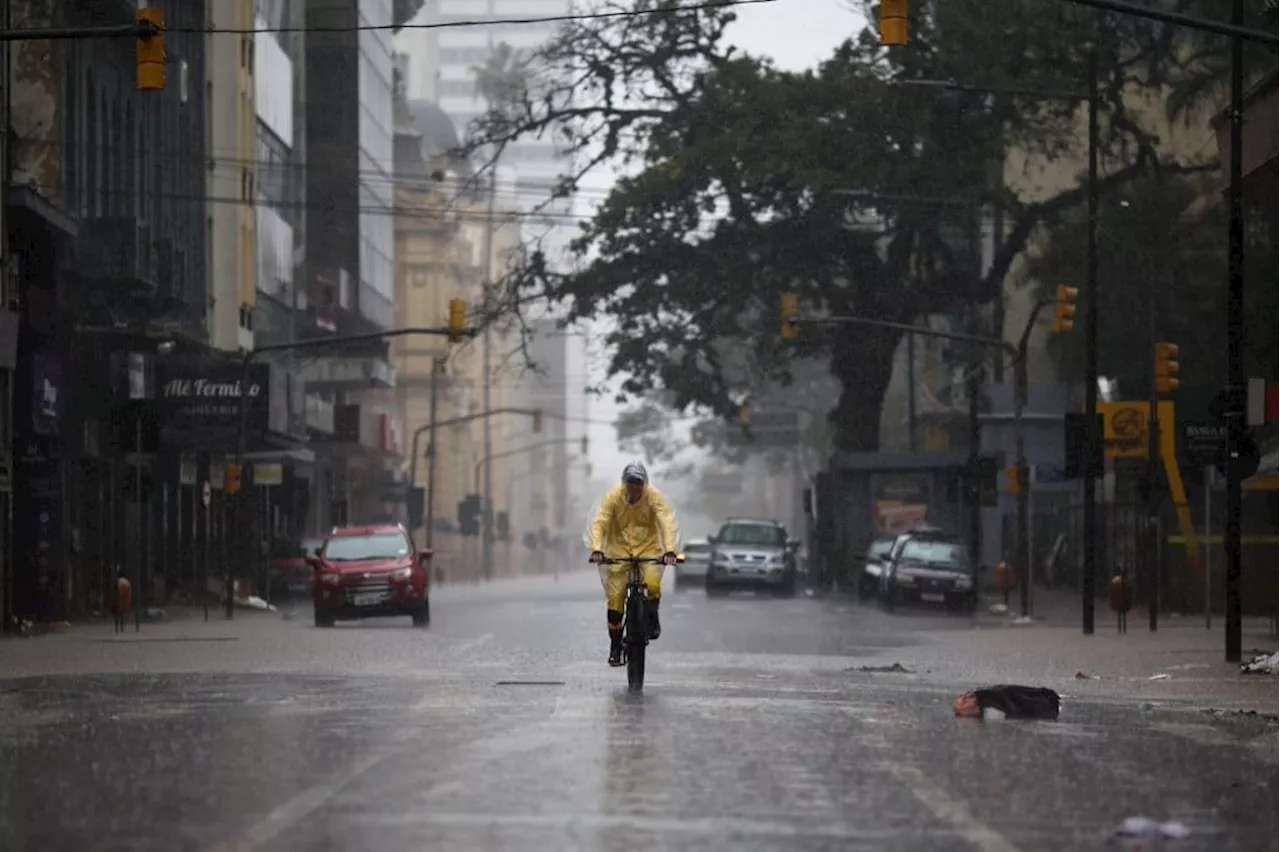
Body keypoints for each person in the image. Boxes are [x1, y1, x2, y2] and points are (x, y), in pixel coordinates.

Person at [588, 461, 679, 667]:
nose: (635, 487)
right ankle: (615, 645)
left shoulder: (654, 497)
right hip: (618, 550)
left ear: (645, 484)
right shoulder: (613, 497)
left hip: (648, 549)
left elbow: (666, 521)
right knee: (615, 599)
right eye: (631, 483)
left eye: (639, 483)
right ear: (624, 483)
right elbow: (600, 521)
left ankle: (652, 616)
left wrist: (670, 549)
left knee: (653, 584)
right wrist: (596, 548)